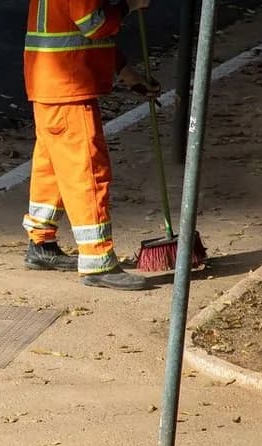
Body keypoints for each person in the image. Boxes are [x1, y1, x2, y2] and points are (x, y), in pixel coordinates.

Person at [22, 0, 161, 290]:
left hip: (51, 84)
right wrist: (129, 6)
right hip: (68, 86)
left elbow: (82, 33)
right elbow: (94, 24)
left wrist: (128, 75)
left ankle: (41, 242)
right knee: (87, 172)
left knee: (53, 167)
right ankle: (97, 260)